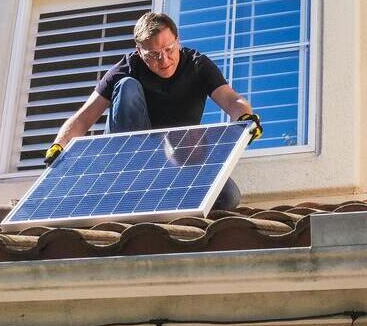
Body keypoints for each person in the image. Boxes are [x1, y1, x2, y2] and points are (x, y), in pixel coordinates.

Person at [42, 11, 262, 210]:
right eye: (154, 55)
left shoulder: (197, 66)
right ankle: (127, 177)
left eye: (169, 50)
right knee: (127, 86)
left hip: (178, 160)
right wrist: (59, 146)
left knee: (228, 197)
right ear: (139, 51)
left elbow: (231, 100)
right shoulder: (125, 69)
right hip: (132, 159)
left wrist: (245, 118)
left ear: (178, 41)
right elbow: (83, 118)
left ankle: (168, 200)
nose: (164, 60)